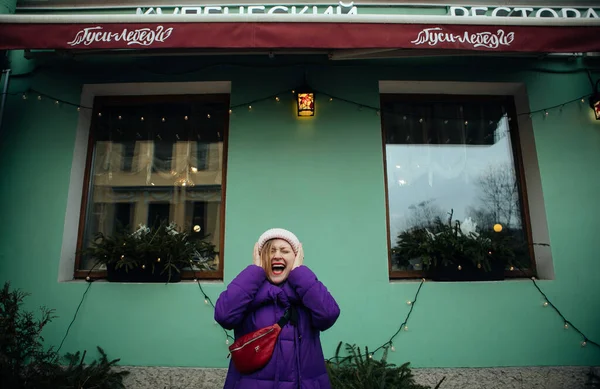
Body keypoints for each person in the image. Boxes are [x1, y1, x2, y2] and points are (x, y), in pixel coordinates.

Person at [215, 228, 340, 389]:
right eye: (271, 251)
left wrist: (299, 272)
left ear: (296, 258)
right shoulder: (247, 292)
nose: (277, 255)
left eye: (285, 250)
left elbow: (328, 315)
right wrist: (254, 271)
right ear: (261, 257)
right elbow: (224, 315)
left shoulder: (308, 293)